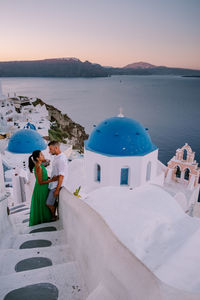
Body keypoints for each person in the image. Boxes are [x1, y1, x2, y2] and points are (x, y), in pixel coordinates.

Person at [28, 150, 57, 226]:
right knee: (43, 204)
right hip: (41, 189)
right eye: (41, 155)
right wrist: (51, 180)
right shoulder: (38, 167)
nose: (43, 155)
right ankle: (47, 218)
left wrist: (49, 178)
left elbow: (43, 177)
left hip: (43, 188)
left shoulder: (40, 165)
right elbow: (40, 182)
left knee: (44, 204)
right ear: (37, 158)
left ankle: (48, 217)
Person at [47, 141, 68, 219]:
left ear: (56, 148)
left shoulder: (61, 159)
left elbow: (61, 176)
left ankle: (54, 217)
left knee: (49, 203)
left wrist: (57, 190)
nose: (49, 151)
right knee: (51, 202)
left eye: (50, 149)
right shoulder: (57, 157)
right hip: (53, 184)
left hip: (56, 186)